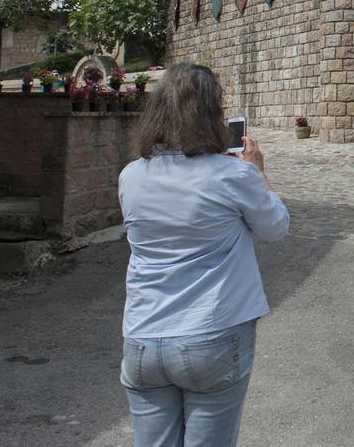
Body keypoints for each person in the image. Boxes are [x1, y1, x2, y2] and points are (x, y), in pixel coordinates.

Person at [117, 63, 289, 447]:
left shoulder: (131, 176)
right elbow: (275, 227)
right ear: (212, 113)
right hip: (211, 331)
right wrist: (259, 174)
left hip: (143, 336)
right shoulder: (232, 175)